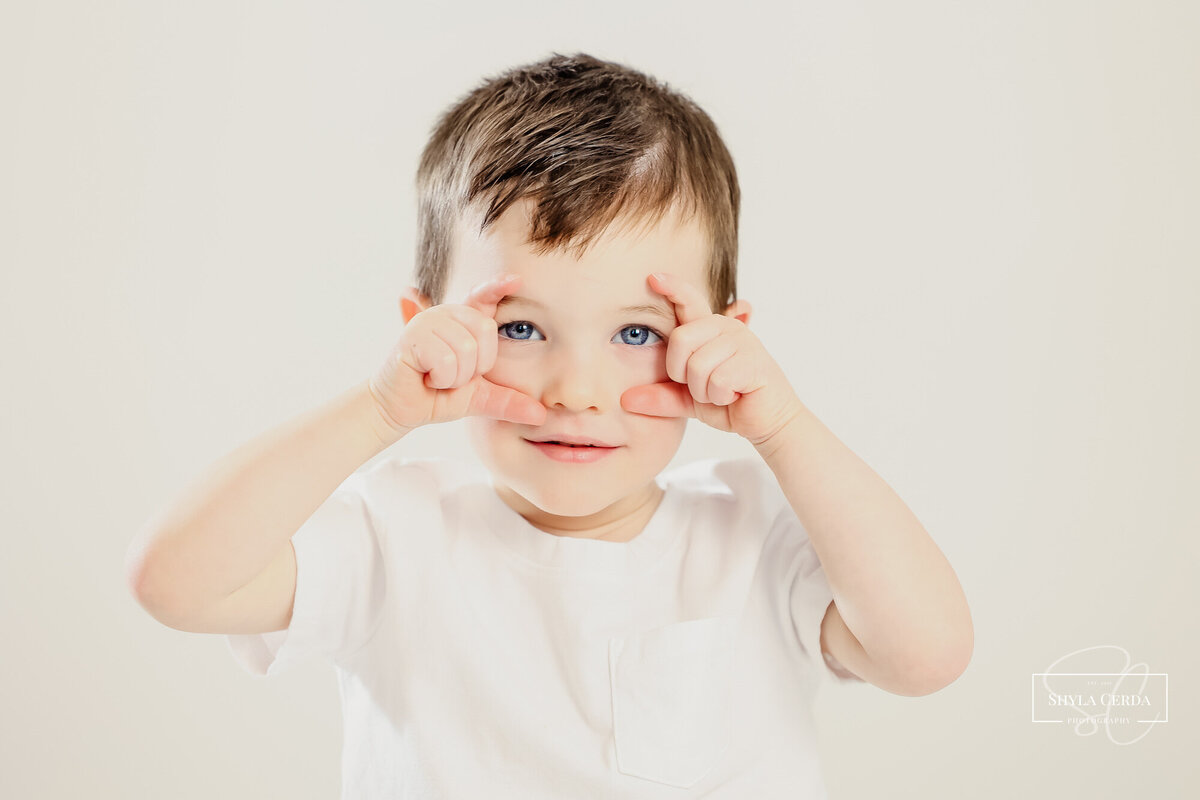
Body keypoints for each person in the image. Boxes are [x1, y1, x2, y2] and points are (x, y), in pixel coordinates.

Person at [125, 51, 972, 798]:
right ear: (426, 328)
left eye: (637, 333)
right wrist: (378, 409)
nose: (576, 390)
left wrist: (785, 428)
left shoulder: (754, 533)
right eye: (521, 328)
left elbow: (925, 656)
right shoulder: (394, 536)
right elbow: (176, 583)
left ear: (722, 339)